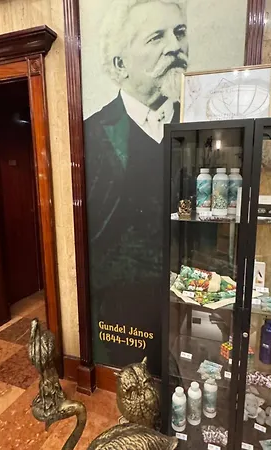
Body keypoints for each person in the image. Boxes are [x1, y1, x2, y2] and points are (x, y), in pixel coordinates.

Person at [84, 0, 189, 370]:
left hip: (187, 298)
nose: (174, 46)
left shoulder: (200, 126)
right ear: (120, 65)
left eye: (179, 32)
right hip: (120, 314)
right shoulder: (91, 133)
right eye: (156, 37)